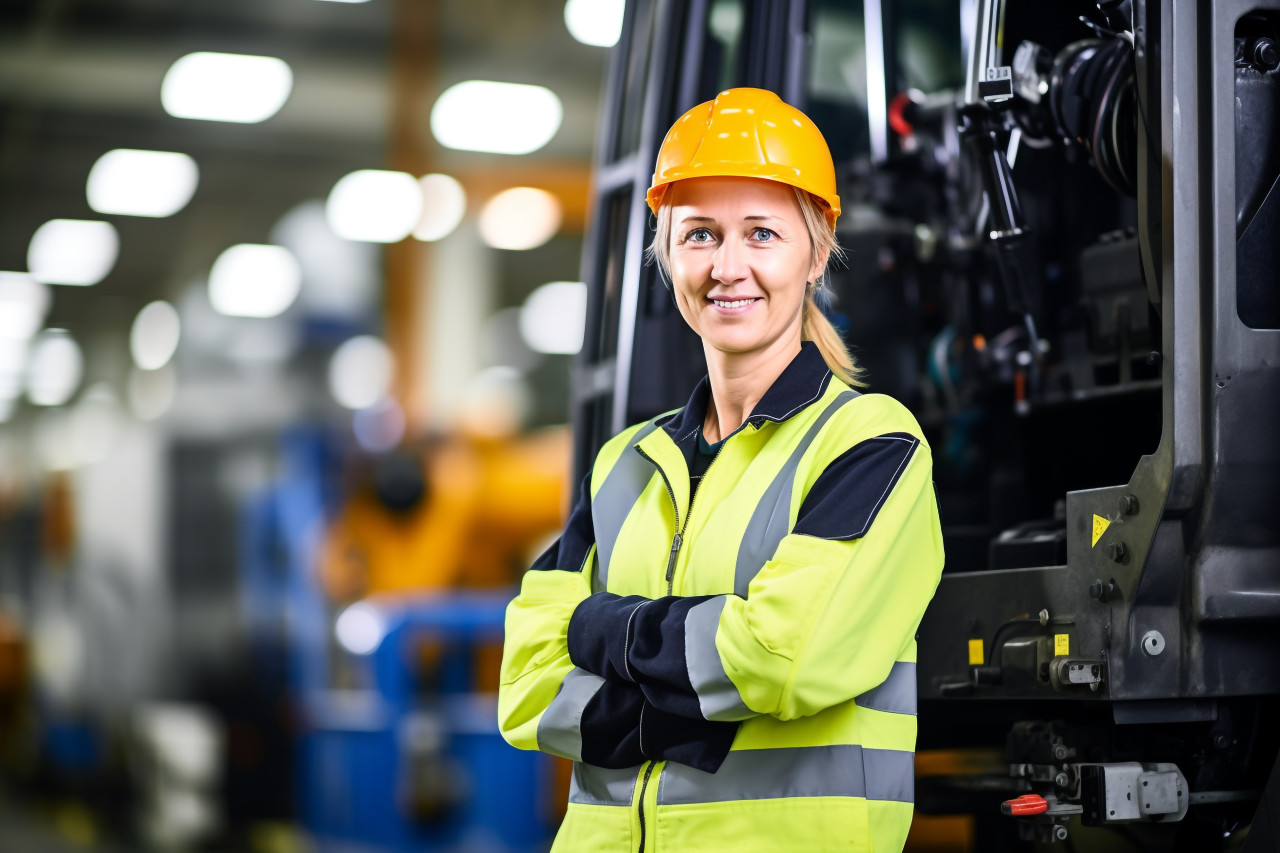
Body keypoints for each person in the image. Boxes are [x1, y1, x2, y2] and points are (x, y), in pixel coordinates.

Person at [498, 87, 945, 853]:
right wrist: (679, 702)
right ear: (667, 254)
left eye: (761, 233)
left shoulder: (871, 445)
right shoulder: (624, 466)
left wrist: (602, 628)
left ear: (816, 249)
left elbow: (782, 658)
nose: (727, 266)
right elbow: (522, 686)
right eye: (700, 234)